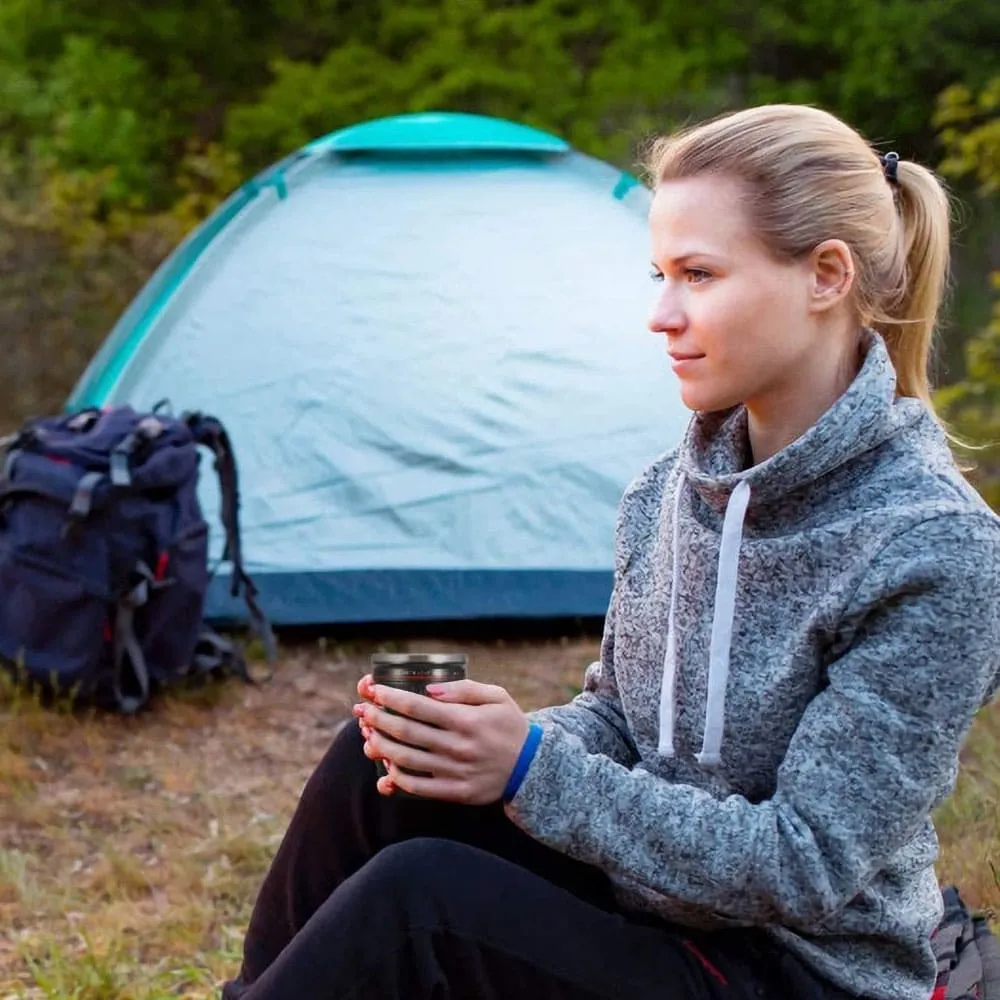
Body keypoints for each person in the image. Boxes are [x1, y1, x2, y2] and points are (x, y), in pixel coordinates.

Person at [220, 104, 1000, 1000]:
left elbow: (804, 864)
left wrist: (526, 768)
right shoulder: (667, 491)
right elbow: (625, 725)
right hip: (659, 904)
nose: (661, 315)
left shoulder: (935, 551)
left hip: (796, 969)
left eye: (699, 275)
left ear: (826, 275)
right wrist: (485, 739)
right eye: (660, 274)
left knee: (419, 904)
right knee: (380, 771)